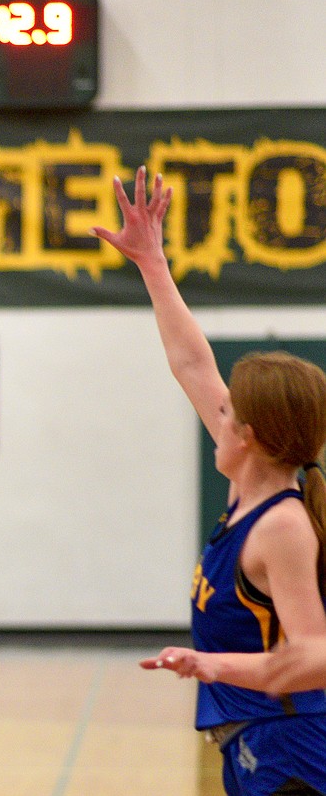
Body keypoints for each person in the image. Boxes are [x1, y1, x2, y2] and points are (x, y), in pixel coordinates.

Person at [92, 167, 326, 794]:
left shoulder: (281, 526)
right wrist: (151, 263)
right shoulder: (249, 490)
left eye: (227, 409)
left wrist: (208, 663)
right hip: (257, 739)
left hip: (293, 747)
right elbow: (193, 362)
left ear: (247, 434)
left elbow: (317, 656)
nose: (214, 409)